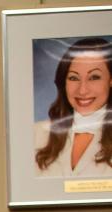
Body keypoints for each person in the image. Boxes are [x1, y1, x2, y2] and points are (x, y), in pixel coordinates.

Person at [34, 37, 112, 178]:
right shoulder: (35, 133)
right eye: (73, 78)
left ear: (111, 81)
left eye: (94, 77)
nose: (82, 90)